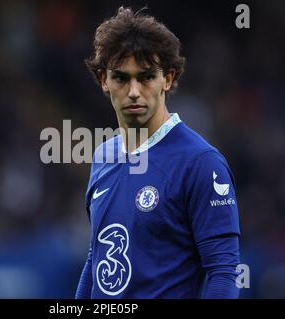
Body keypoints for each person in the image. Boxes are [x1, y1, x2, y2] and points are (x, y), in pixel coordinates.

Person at [75, 6, 241, 298]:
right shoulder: (103, 158)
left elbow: (223, 272)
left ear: (168, 78)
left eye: (146, 77)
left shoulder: (201, 163)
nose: (135, 91)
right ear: (104, 81)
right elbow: (95, 258)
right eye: (122, 78)